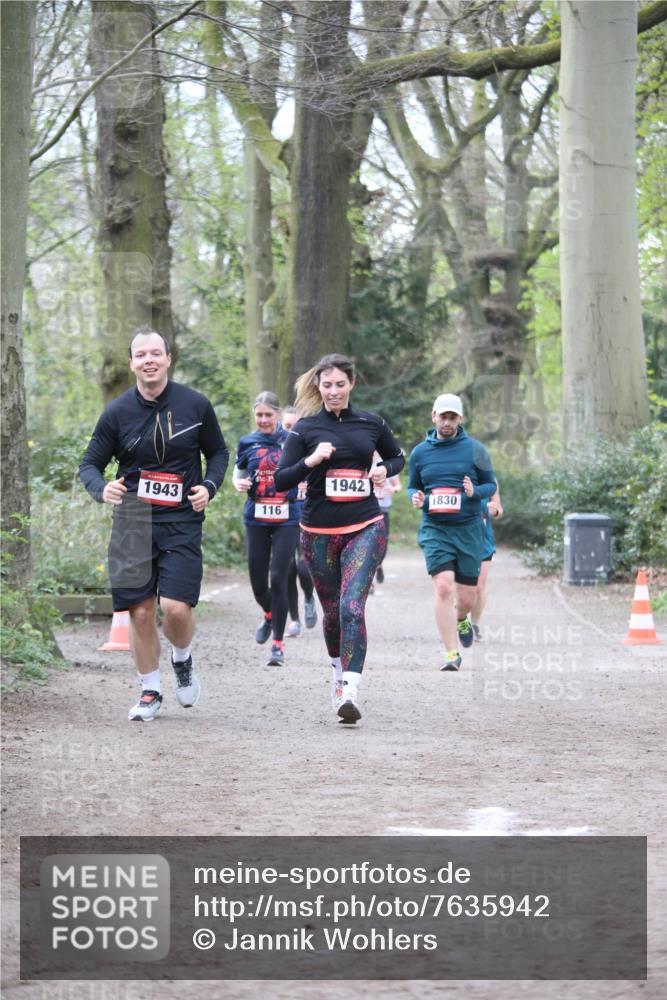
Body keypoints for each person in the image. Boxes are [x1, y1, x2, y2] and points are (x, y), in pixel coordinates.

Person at [79, 326, 229, 721]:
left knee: (176, 608)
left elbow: (217, 452)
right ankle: (149, 691)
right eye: (141, 354)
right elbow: (90, 464)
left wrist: (209, 487)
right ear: (131, 363)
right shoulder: (116, 412)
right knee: (140, 612)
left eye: (155, 353)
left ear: (168, 359)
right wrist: (101, 488)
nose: (149, 359)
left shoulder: (195, 405)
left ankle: (182, 659)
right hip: (132, 518)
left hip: (181, 517)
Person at [275, 353, 404, 724]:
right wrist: (311, 461)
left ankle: (350, 688)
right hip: (316, 532)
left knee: (351, 607)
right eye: (327, 385)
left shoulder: (371, 423)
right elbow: (282, 480)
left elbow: (396, 458)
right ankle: (337, 672)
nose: (333, 391)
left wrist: (382, 468)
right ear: (318, 386)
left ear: (352, 385)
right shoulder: (304, 430)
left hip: (365, 526)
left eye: (340, 384)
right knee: (332, 615)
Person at [408, 393, 496, 672]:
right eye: (442, 416)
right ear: (433, 416)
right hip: (436, 528)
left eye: (452, 417)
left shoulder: (476, 450)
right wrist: (416, 496)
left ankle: (462, 619)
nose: (447, 422)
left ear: (460, 419)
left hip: (469, 529)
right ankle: (451, 654)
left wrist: (475, 492)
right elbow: (413, 485)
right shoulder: (420, 452)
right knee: (444, 586)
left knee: (467, 598)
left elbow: (490, 486)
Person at [232, 392, 300, 666]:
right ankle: (270, 615)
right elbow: (238, 474)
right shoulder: (247, 442)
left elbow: (307, 468)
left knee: (279, 576)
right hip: (256, 516)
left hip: (287, 515)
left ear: (277, 415)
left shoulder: (293, 441)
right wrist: (238, 484)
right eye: (258, 415)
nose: (263, 420)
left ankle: (278, 645)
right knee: (258, 583)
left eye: (268, 415)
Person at [281, 405, 317, 636]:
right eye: (287, 427)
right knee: (288, 569)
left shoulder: (313, 449)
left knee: (304, 568)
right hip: (284, 517)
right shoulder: (275, 452)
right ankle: (294, 619)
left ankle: (309, 597)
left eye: (296, 427)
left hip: (310, 516)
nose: (292, 432)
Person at [470, 486, 503, 641]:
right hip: (458, 536)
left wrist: (494, 510)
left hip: (483, 540)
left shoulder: (490, 479)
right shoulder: (453, 471)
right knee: (457, 586)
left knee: (479, 586)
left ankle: (474, 624)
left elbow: (499, 510)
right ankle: (458, 621)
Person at [371, 451, 402, 586]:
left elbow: (398, 486)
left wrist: (393, 489)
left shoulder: (387, 464)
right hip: (368, 508)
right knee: (367, 543)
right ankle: (369, 580)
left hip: (384, 509)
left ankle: (379, 565)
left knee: (383, 542)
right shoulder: (361, 459)